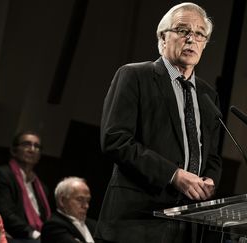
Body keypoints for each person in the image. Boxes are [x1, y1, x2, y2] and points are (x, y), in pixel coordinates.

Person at [94, 3, 222, 243]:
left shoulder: (208, 95)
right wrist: (173, 175)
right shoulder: (135, 76)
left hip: (187, 225)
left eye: (199, 34)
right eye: (183, 31)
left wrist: (210, 181)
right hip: (136, 222)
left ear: (204, 43)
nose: (191, 39)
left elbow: (212, 154)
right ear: (163, 38)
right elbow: (115, 140)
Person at [0, 131, 51, 242]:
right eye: (27, 144)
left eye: (37, 146)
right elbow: (4, 213)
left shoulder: (42, 187)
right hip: (11, 236)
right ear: (14, 151)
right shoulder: (2, 175)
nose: (32, 149)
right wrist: (34, 234)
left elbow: (46, 219)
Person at [41, 177, 96, 243]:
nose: (86, 206)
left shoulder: (94, 224)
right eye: (80, 199)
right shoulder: (53, 226)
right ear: (62, 200)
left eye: (88, 200)